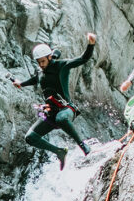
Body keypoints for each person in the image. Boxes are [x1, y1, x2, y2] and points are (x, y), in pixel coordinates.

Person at [12, 33, 97, 170]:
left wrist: (91, 44)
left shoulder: (61, 66)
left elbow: (83, 59)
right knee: (30, 137)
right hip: (51, 113)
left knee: (61, 117)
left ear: (49, 57)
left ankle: (83, 146)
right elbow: (35, 79)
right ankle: (59, 152)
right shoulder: (40, 72)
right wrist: (20, 84)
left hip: (66, 109)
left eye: (43, 61)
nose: (41, 65)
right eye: (38, 62)